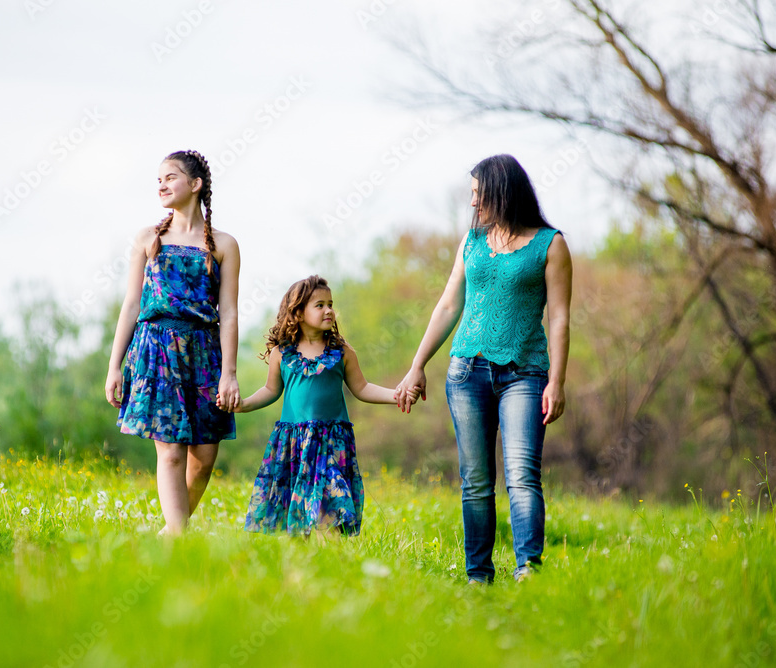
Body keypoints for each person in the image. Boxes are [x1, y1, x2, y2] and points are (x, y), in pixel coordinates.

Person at [395, 154, 572, 584]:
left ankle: (528, 570)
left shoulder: (550, 245)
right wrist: (417, 365)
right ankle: (478, 576)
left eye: (479, 193)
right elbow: (448, 305)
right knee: (475, 480)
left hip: (524, 375)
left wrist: (557, 381)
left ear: (502, 190)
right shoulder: (471, 241)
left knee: (522, 476)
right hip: (465, 373)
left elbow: (560, 319)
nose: (473, 202)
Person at [105, 149, 241, 536]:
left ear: (195, 184)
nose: (161, 185)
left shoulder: (224, 244)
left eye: (170, 177)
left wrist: (229, 373)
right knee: (171, 453)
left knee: (205, 457)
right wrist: (115, 366)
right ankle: (179, 537)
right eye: (158, 180)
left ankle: (169, 531)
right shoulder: (148, 239)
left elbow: (230, 312)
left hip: (204, 352)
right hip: (156, 349)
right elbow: (131, 304)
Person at [230, 275, 415, 537]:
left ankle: (333, 551)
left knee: (333, 501)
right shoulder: (281, 353)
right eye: (319, 305)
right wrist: (244, 404)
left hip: (331, 442)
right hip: (295, 442)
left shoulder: (342, 351)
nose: (329, 310)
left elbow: (362, 388)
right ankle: (302, 555)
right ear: (298, 313)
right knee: (297, 507)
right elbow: (271, 390)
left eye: (330, 304)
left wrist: (396, 394)